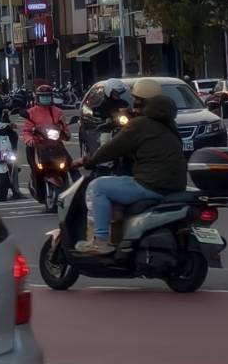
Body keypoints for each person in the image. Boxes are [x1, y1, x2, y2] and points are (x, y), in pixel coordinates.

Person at [70, 81, 188, 255]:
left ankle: (100, 241)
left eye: (135, 99)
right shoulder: (169, 124)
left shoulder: (139, 125)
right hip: (175, 185)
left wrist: (87, 161)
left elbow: (112, 148)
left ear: (141, 101)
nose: (132, 103)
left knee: (98, 187)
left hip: (151, 184)